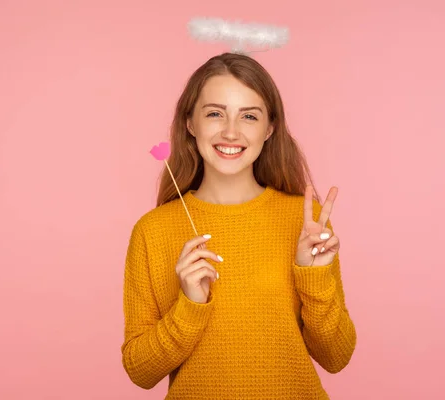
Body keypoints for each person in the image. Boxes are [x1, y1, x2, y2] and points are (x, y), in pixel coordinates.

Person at [121, 52, 356, 399]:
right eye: (215, 113)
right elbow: (141, 372)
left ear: (269, 128)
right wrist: (189, 305)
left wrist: (315, 279)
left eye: (249, 116)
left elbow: (336, 357)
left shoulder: (305, 221)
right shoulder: (153, 230)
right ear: (190, 124)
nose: (231, 132)